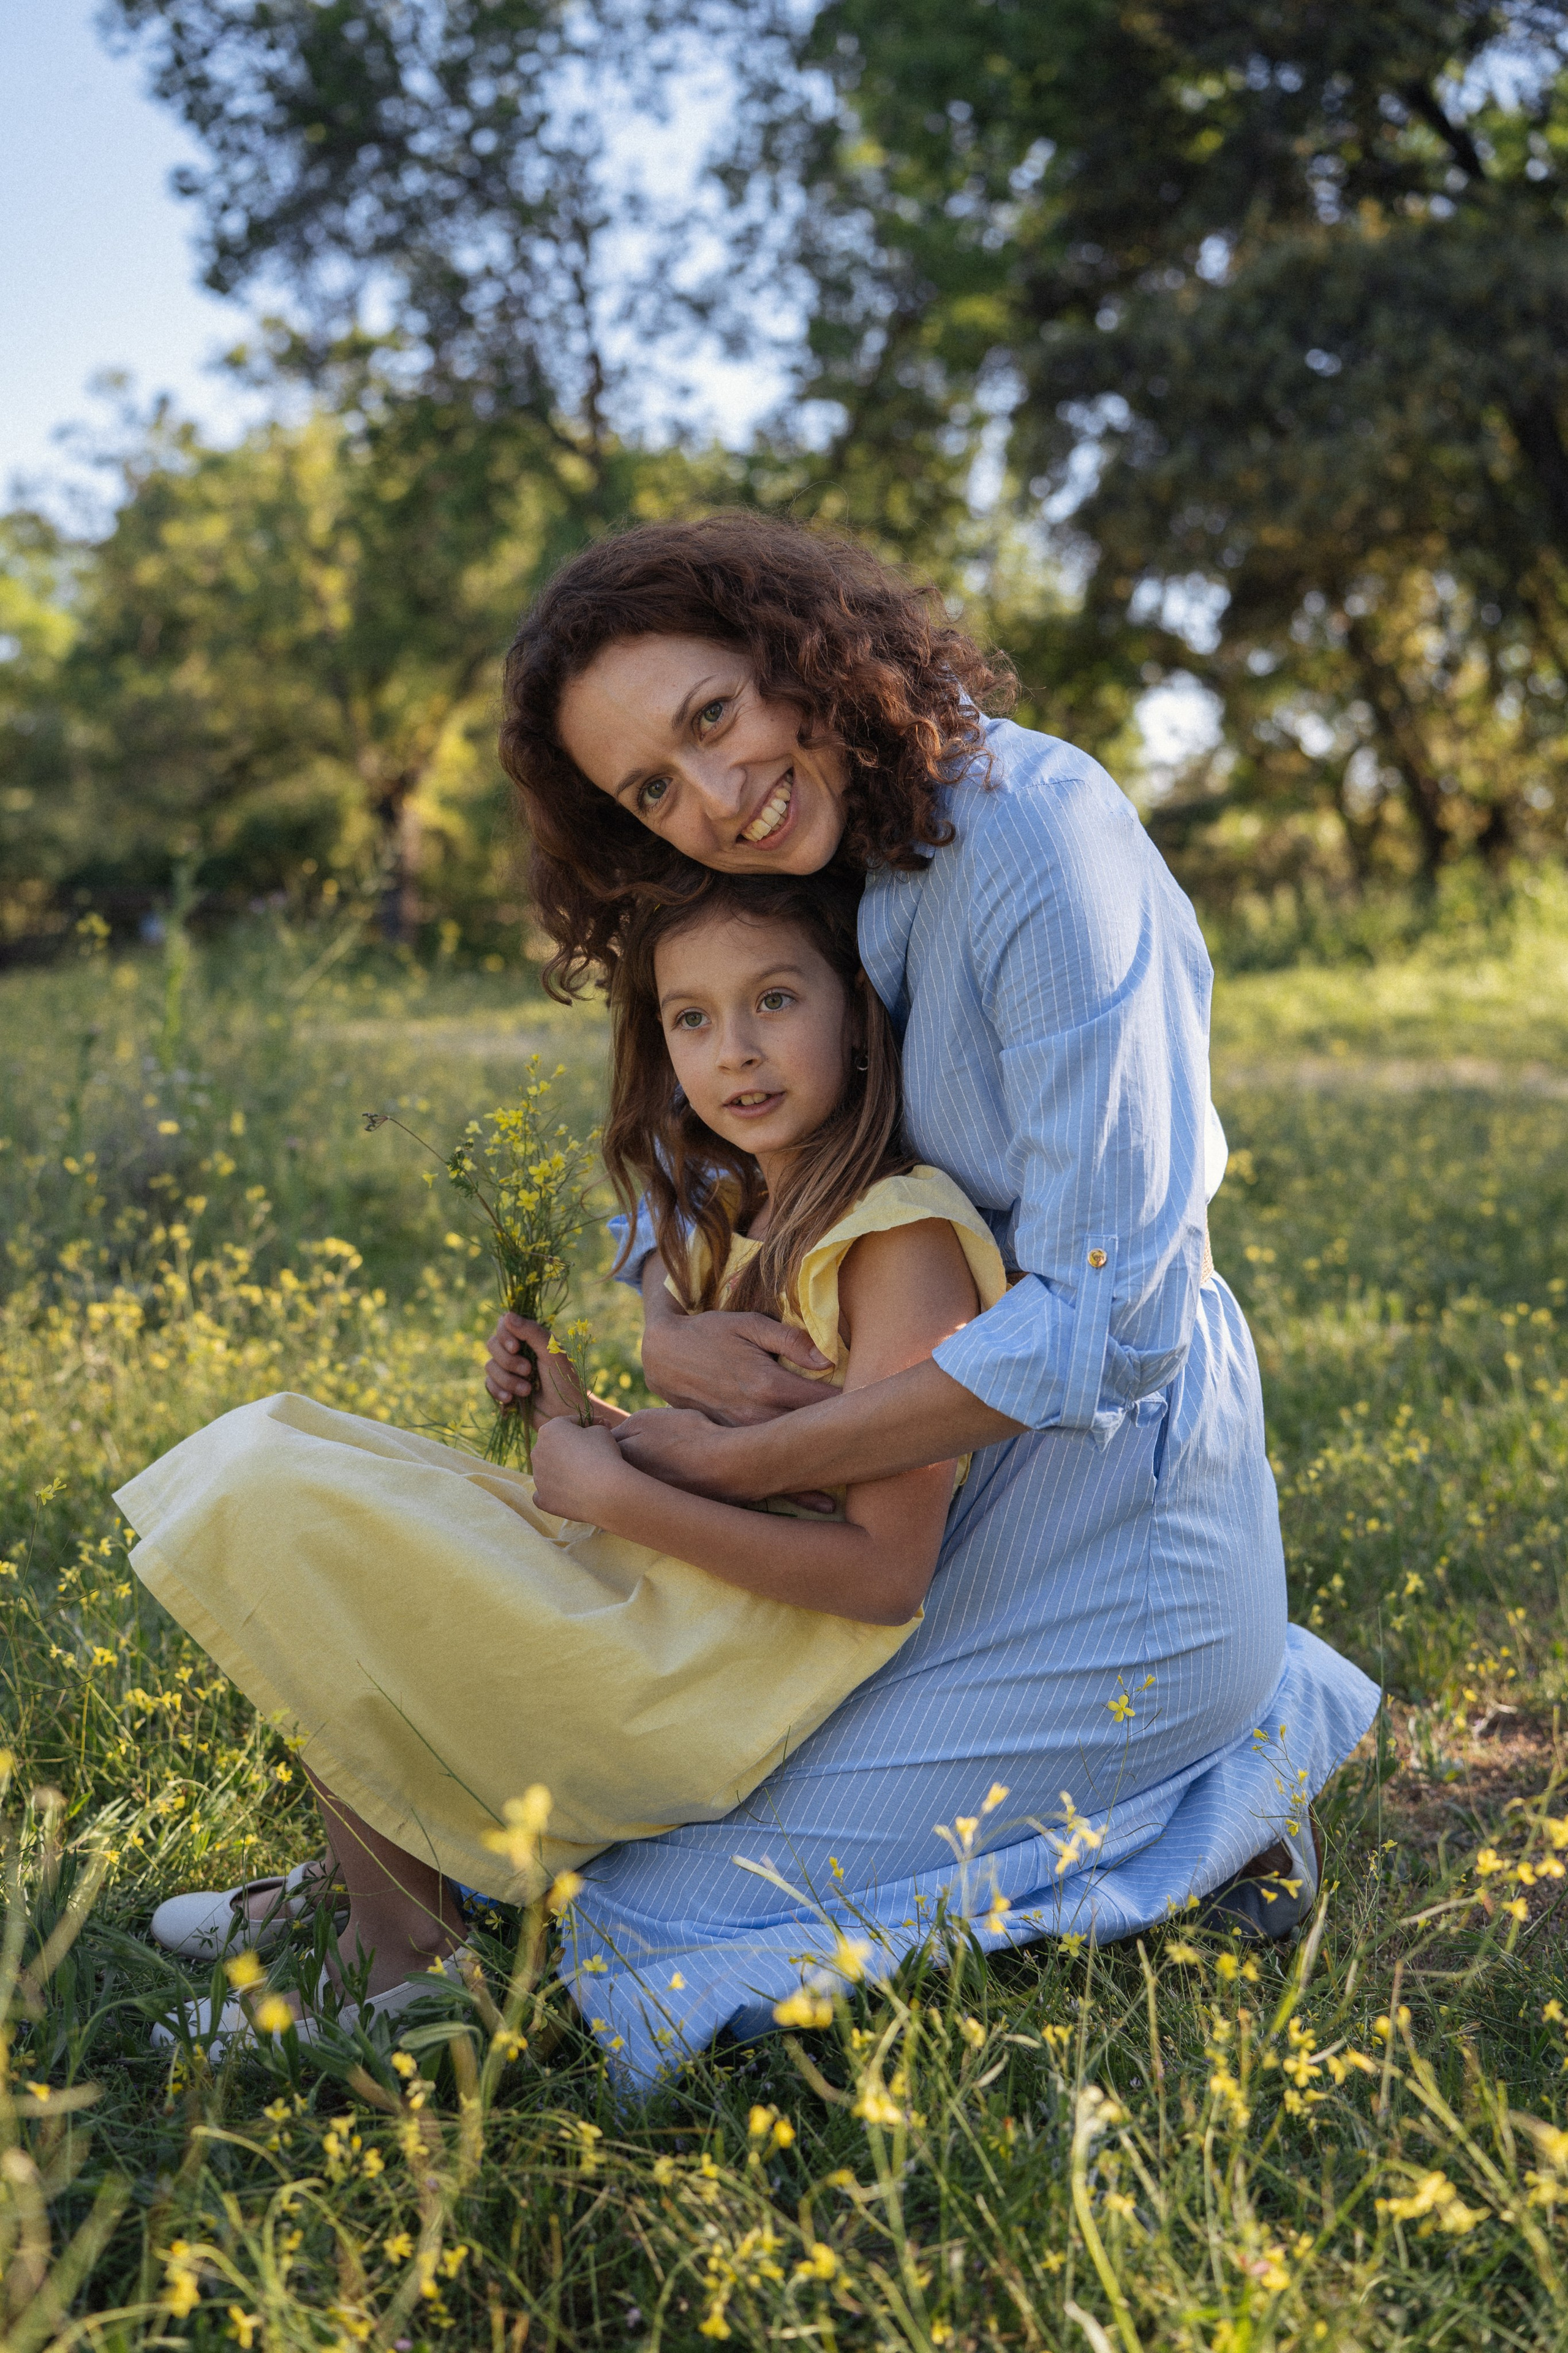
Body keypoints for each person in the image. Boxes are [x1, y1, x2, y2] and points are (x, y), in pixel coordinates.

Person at [485, 511, 1380, 2081]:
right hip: (917, 1491)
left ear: (795, 649)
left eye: (714, 718)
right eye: (652, 789)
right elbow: (707, 1093)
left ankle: (1209, 1799)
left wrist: (711, 1462)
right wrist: (657, 1313)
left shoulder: (1033, 839)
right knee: (633, 1783)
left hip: (1109, 1527)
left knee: (659, 1910)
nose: (714, 802)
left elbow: (1115, 1321)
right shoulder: (827, 840)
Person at [119, 871, 1009, 2050]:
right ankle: (378, 1880)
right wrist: (581, 1414)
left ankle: (401, 1969)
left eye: (776, 1000)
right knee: (299, 1473)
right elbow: (733, 1461)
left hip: (709, 1669)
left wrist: (618, 1484)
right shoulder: (754, 1211)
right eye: (692, 1018)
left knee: (307, 1520)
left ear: (857, 1012)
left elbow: (884, 1574)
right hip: (660, 1583)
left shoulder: (899, 1239)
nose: (735, 1051)